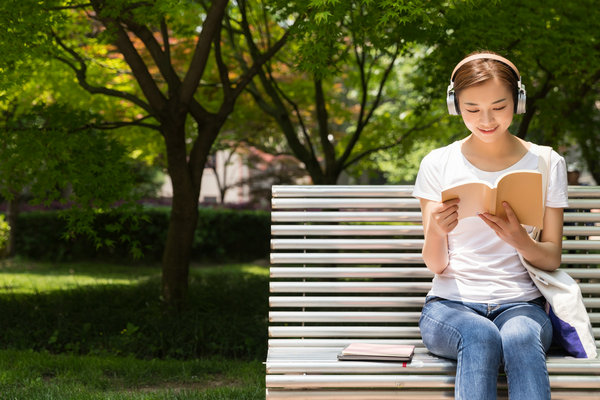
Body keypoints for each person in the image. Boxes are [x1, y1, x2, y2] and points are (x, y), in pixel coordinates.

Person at [412, 51, 569, 400]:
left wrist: (519, 239)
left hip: (522, 305)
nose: (486, 119)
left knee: (518, 336)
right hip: (449, 307)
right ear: (455, 105)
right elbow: (436, 265)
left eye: (499, 106)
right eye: (472, 109)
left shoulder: (546, 162)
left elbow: (552, 258)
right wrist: (437, 230)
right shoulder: (438, 163)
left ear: (519, 100)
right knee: (480, 335)